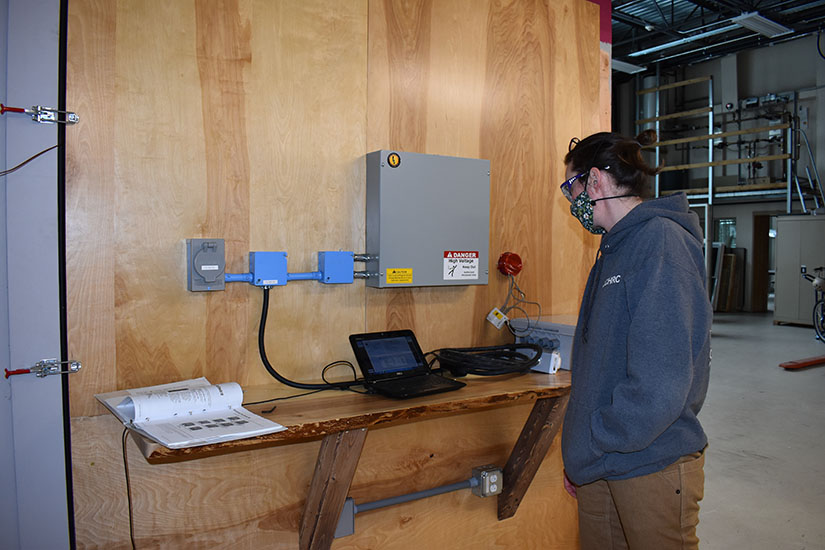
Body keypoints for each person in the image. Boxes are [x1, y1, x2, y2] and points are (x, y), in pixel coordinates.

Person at [559, 130, 712, 550]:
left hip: (650, 463)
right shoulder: (616, 247)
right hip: (604, 463)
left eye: (571, 187)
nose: (572, 202)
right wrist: (586, 455)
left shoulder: (660, 242)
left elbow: (660, 382)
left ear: (595, 181)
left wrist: (593, 442)